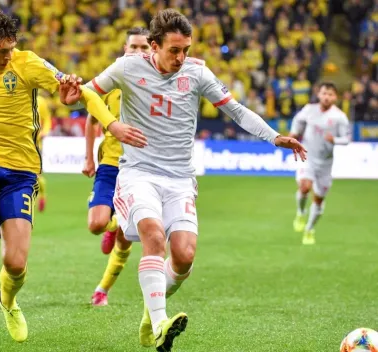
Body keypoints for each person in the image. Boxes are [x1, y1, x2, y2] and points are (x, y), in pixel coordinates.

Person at [65, 8, 306, 352]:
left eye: (186, 50)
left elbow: (235, 110)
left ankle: (151, 318)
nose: (181, 57)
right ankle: (163, 322)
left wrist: (274, 136)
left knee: (184, 255)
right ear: (153, 45)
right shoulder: (127, 67)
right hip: (139, 173)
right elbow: (87, 93)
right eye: (174, 50)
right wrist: (109, 122)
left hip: (180, 178)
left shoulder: (197, 73)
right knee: (153, 233)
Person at [0, 10, 146, 350]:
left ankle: (7, 301)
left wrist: (108, 124)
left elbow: (80, 93)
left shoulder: (27, 63)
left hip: (19, 173)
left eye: (12, 48)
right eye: (1, 51)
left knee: (15, 262)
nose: (9, 55)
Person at [82, 27, 151, 307]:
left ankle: (102, 290)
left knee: (126, 241)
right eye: (133, 47)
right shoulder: (111, 83)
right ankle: (113, 223)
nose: (138, 52)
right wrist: (88, 158)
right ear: (125, 49)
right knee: (97, 224)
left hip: (141, 168)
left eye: (144, 47)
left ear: (153, 50)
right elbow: (91, 120)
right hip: (110, 165)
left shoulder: (158, 85)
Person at [290, 82, 349, 245]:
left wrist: (335, 139)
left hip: (325, 164)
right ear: (319, 94)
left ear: (335, 97)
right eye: (324, 93)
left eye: (330, 94)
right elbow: (297, 121)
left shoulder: (339, 117)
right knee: (304, 187)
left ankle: (309, 229)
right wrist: (293, 134)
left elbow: (347, 139)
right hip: (307, 157)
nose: (327, 97)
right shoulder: (309, 110)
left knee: (318, 200)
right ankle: (301, 212)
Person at [37, 93, 52, 212]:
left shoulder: (40, 101)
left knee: (36, 175)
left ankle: (42, 196)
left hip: (36, 144)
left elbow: (47, 119)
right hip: (19, 144)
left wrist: (44, 132)